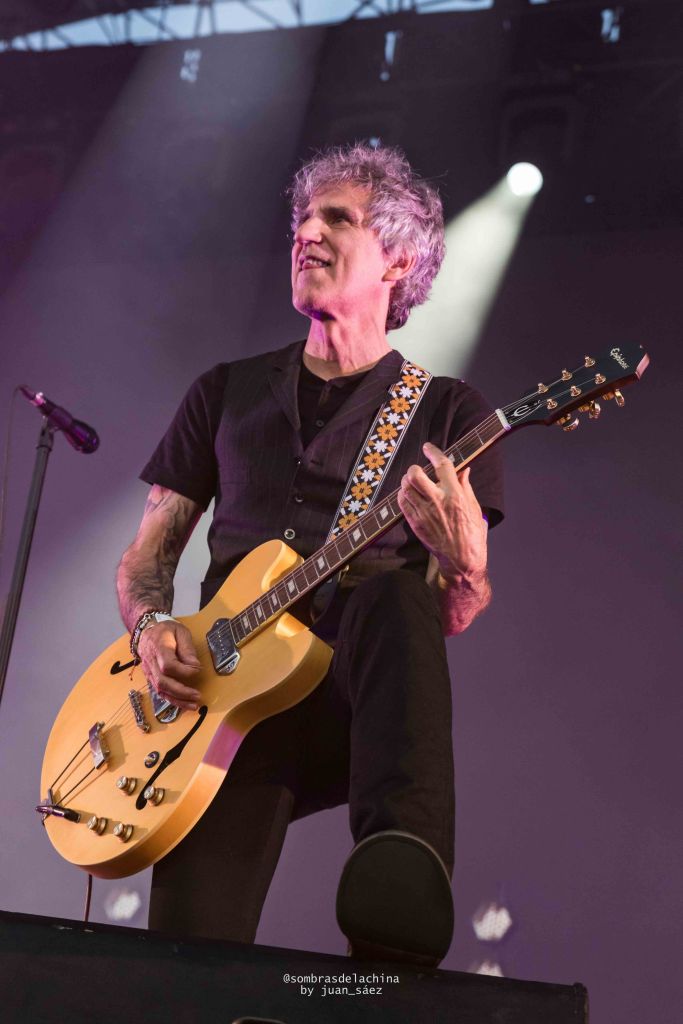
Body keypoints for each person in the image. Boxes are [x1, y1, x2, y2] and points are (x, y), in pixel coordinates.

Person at [116, 143, 504, 965]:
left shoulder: (446, 411)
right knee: (186, 965)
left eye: (336, 218)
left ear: (398, 259)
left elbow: (449, 616)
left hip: (354, 694)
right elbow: (148, 557)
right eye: (301, 218)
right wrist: (151, 628)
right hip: (225, 699)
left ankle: (401, 871)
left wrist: (467, 568)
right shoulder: (224, 391)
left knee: (394, 597)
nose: (306, 233)